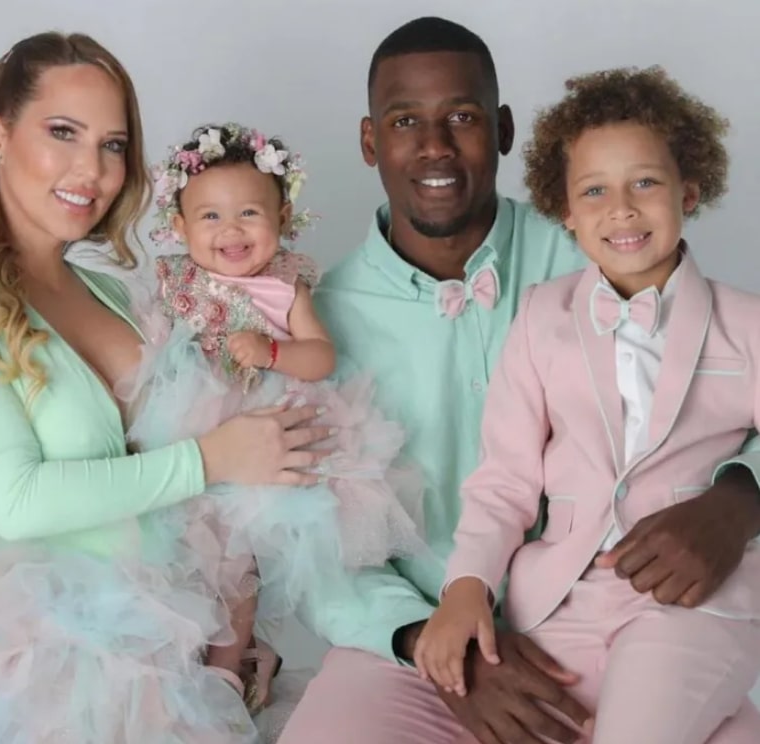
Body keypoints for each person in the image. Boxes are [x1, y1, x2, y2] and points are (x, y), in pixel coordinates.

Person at [278, 17, 760, 744]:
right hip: (418, 639)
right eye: (406, 121)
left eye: (463, 118)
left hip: (617, 622)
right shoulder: (316, 326)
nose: (435, 146)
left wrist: (741, 495)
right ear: (371, 141)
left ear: (502, 129)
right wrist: (430, 641)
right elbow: (311, 541)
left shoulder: (599, 243)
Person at [0, 32, 331, 743]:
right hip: (59, 675)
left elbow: (194, 507)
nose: (91, 170)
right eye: (63, 133)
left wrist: (233, 636)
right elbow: (14, 502)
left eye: (113, 145)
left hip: (180, 652)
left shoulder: (114, 294)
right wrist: (211, 458)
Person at [414, 66, 760, 744]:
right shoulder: (543, 317)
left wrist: (740, 493)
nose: (621, 209)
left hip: (694, 602)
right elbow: (505, 480)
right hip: (559, 601)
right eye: (595, 191)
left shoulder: (745, 323)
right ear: (566, 212)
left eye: (646, 184)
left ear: (689, 191)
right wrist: (466, 589)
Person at [118, 120, 424, 711]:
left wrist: (274, 351)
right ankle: (191, 656)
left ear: (283, 219)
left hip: (267, 435)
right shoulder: (174, 279)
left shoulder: (288, 285)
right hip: (187, 431)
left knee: (239, 561)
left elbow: (322, 355)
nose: (230, 231)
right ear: (178, 227)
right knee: (178, 552)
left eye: (250, 215)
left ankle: (228, 672)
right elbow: (145, 347)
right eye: (209, 217)